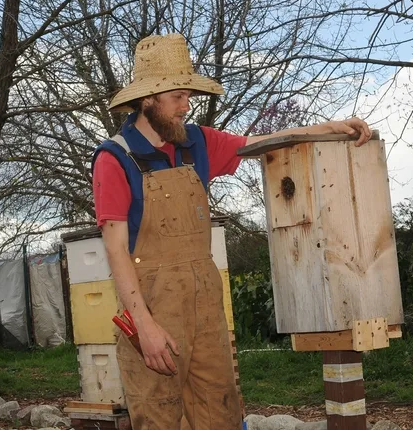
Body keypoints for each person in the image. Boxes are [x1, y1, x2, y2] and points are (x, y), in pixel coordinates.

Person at [91, 33, 372, 430]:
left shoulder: (198, 143)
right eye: (178, 97)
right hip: (152, 308)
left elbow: (259, 142)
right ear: (149, 99)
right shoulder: (114, 158)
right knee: (159, 419)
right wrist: (145, 327)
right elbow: (116, 250)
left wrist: (329, 127)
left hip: (205, 308)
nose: (187, 106)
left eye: (189, 96)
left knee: (220, 414)